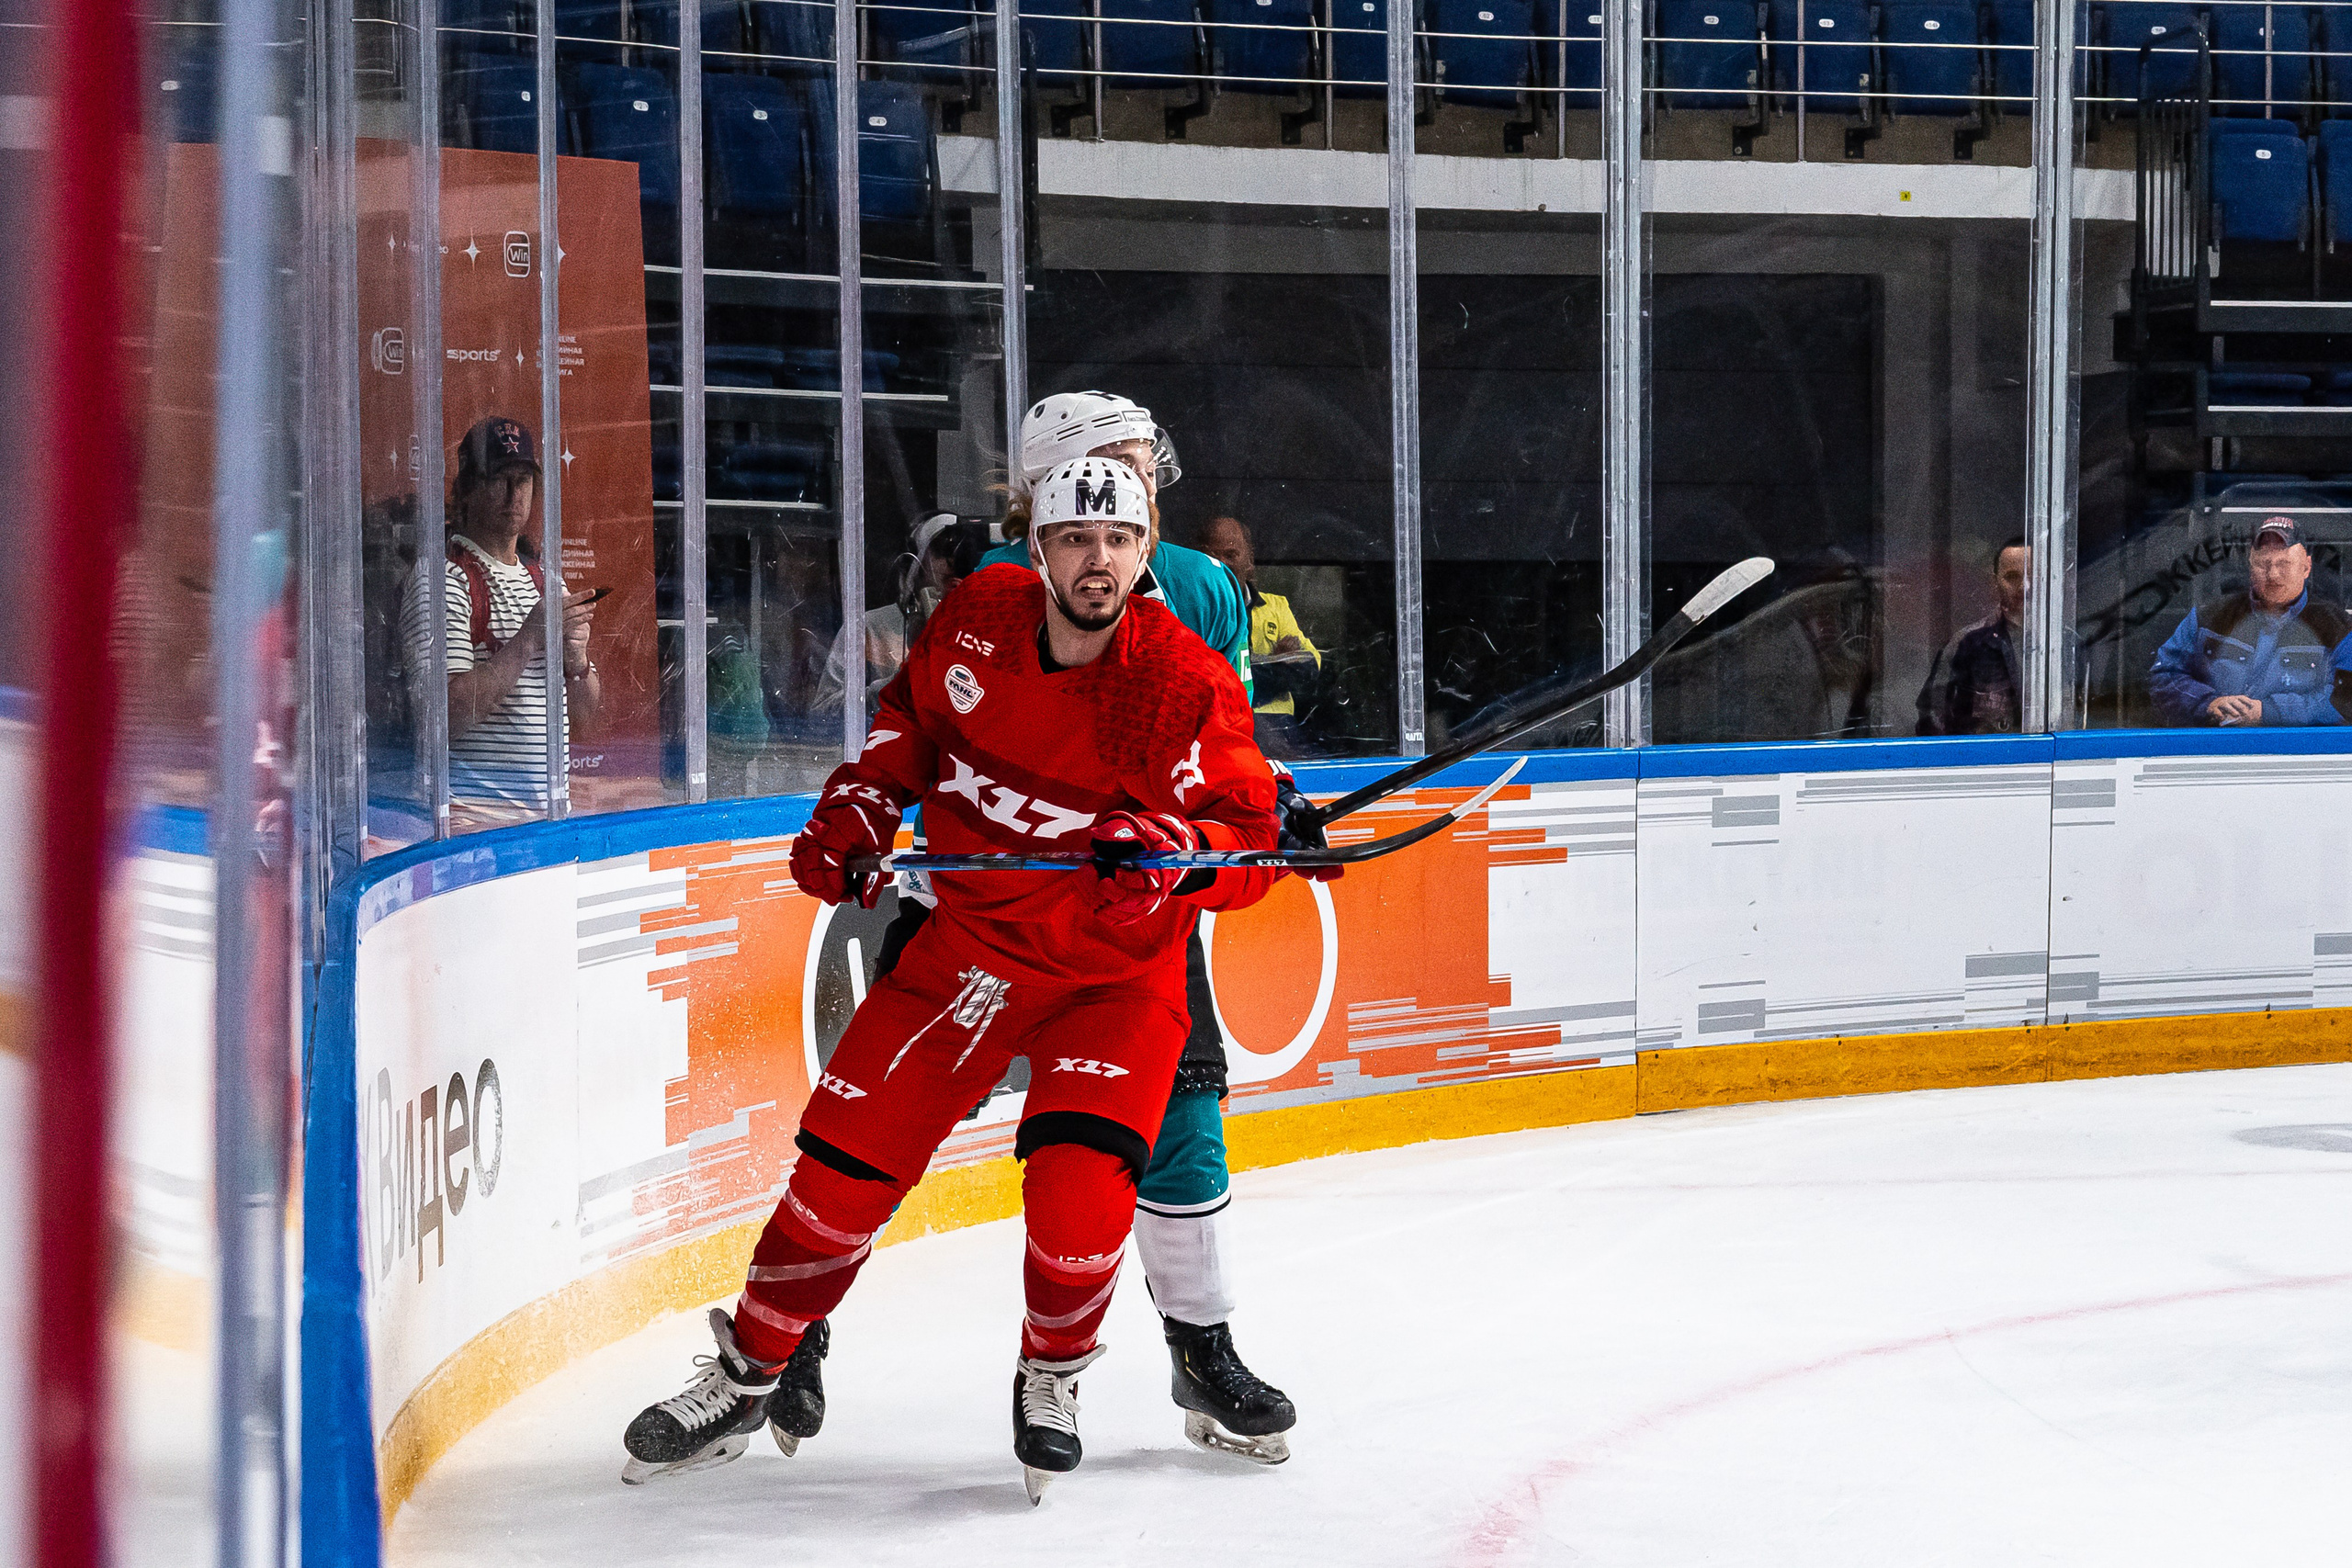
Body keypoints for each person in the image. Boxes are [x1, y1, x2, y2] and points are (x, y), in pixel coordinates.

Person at [619, 458, 1283, 1501]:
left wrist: (1175, 852)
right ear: (1039, 547)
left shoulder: (1182, 681)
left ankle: (1052, 1374)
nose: (1095, 559)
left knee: (1079, 1196)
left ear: (1144, 551)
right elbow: (911, 729)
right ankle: (749, 1370)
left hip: (1112, 982)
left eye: (1115, 542)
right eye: (1073, 538)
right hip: (967, 952)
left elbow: (1248, 849)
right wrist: (862, 804)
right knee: (840, 1167)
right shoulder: (978, 616)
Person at [841, 389, 1317, 1466]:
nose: (1143, 481)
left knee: (1180, 1116)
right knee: (873, 1125)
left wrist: (1265, 803)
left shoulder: (1196, 585)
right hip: (974, 913)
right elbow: (928, 725)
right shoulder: (988, 588)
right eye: (1123, 462)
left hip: (1124, 920)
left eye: (1143, 470)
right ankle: (795, 1335)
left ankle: (1200, 1344)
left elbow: (1217, 742)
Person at [399, 416, 602, 812]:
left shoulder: (547, 581)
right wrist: (529, 638)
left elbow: (587, 724)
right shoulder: (440, 578)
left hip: (546, 827)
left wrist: (577, 664)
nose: (514, 494)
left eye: (523, 480)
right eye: (499, 479)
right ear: (468, 490)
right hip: (471, 830)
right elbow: (441, 719)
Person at [2149, 516, 2351, 727]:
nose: (2273, 574)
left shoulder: (2340, 629)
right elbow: (2164, 675)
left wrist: (2269, 712)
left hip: (2301, 753)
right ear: (2250, 567)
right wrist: (2208, 703)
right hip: (2212, 750)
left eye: (2284, 564)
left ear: (2306, 568)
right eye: (2263, 564)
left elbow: (2346, 700)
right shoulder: (2206, 618)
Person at [815, 511, 989, 713]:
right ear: (913, 566)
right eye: (943, 549)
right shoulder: (868, 628)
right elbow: (822, 713)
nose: (952, 560)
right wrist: (892, 687)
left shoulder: (983, 636)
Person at [1198, 513, 1323, 757]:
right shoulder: (1193, 609)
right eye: (1213, 556)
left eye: (1231, 555)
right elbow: (1207, 685)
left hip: (1279, 727)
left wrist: (1247, 674)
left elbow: (1311, 669)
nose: (1222, 563)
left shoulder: (1276, 606)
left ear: (1249, 561)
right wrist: (1278, 664)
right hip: (1219, 726)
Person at [1917, 536, 2026, 736]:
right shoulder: (1966, 644)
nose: (2024, 586)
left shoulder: (2066, 645)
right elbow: (1931, 716)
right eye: (2012, 577)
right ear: (1995, 582)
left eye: (2035, 576)